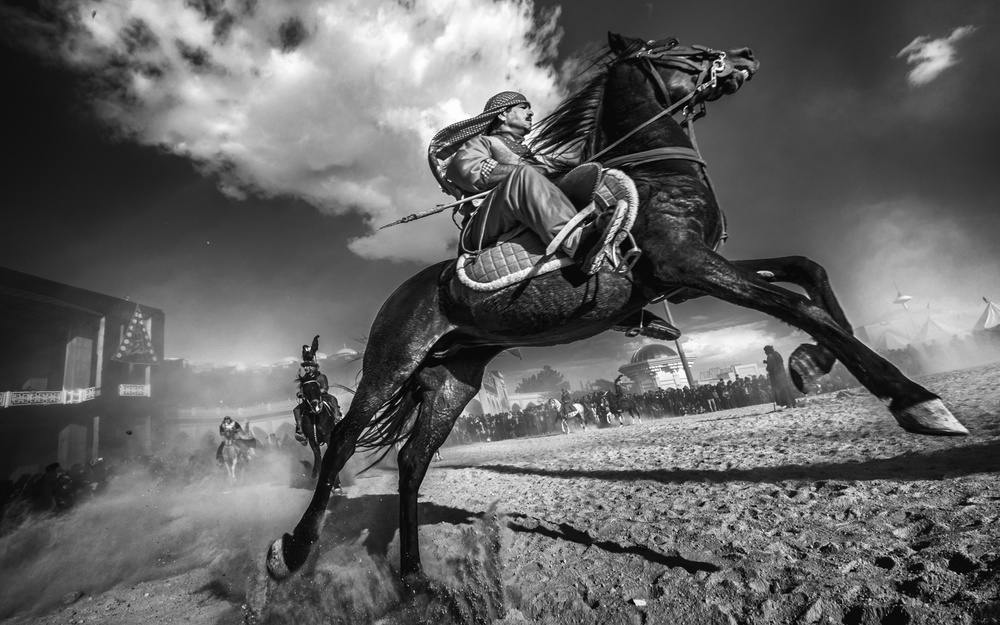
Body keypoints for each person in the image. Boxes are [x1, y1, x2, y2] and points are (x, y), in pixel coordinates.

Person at [294, 336, 340, 444]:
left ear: (314, 367)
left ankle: (337, 419)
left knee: (332, 399)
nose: (306, 368)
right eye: (305, 367)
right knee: (296, 410)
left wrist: (318, 393)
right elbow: (302, 391)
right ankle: (300, 430)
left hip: (321, 397)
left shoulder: (321, 377)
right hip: (309, 400)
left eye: (308, 366)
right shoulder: (305, 380)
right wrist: (300, 394)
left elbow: (325, 388)